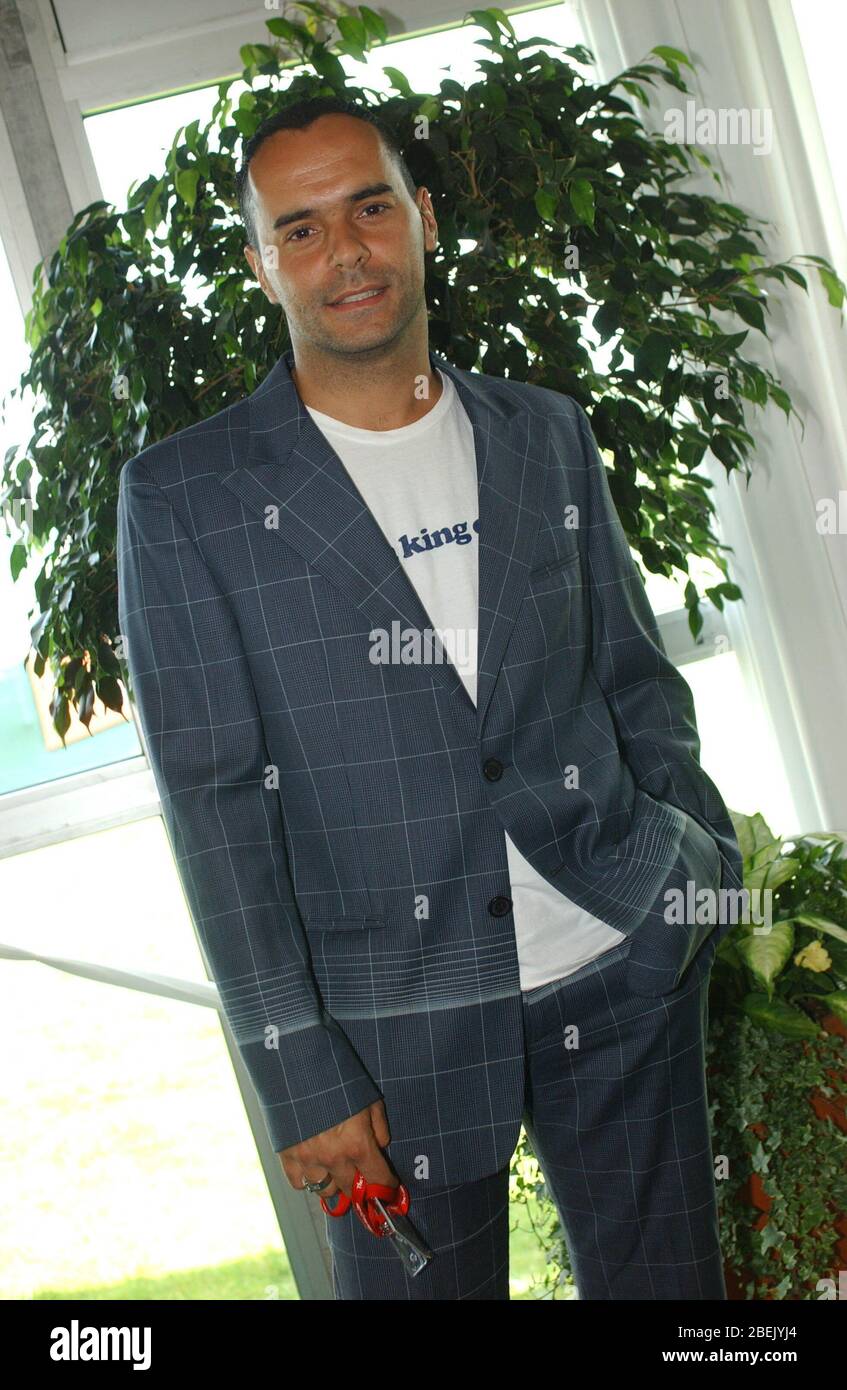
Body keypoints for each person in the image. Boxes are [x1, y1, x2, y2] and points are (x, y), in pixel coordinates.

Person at [117, 95, 744, 1300]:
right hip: (387, 1044)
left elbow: (633, 680)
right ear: (262, 265)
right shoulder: (184, 499)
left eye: (369, 206)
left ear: (423, 218)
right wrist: (300, 1067)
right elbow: (215, 814)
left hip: (619, 973)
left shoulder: (546, 435)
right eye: (299, 230)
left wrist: (690, 863)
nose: (344, 250)